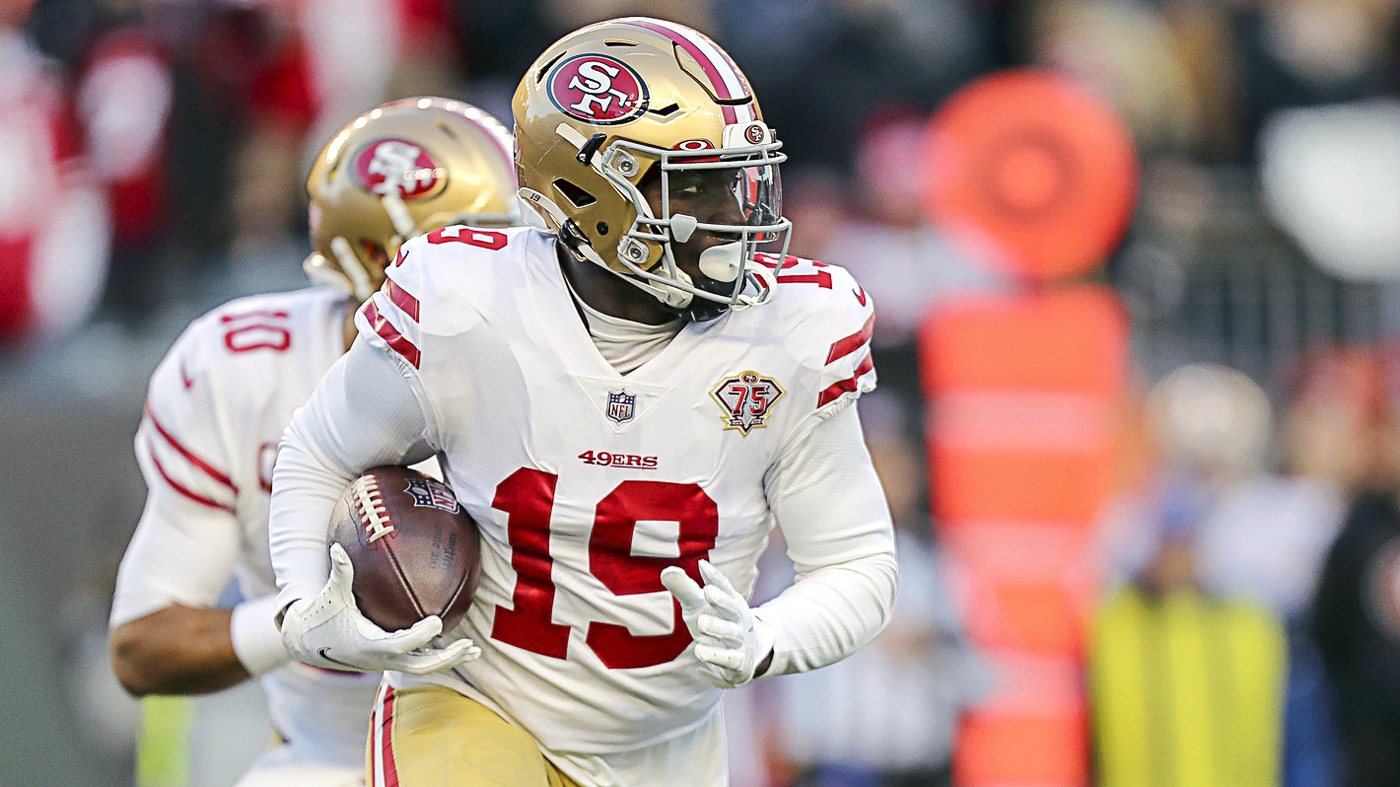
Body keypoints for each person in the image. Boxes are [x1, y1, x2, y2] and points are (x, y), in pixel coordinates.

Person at [266, 17, 899, 787]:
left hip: (667, 748)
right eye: (693, 184)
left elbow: (856, 563)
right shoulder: (467, 303)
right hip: (477, 699)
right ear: (588, 193)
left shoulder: (792, 332)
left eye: (738, 177)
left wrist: (768, 636)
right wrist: (305, 606)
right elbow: (321, 451)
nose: (736, 211)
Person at [107, 97, 519, 787]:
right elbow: (142, 647)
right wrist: (305, 618)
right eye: (484, 245)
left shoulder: (559, 367)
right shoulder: (244, 369)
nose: (519, 274)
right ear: (373, 257)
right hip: (329, 753)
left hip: (534, 751)